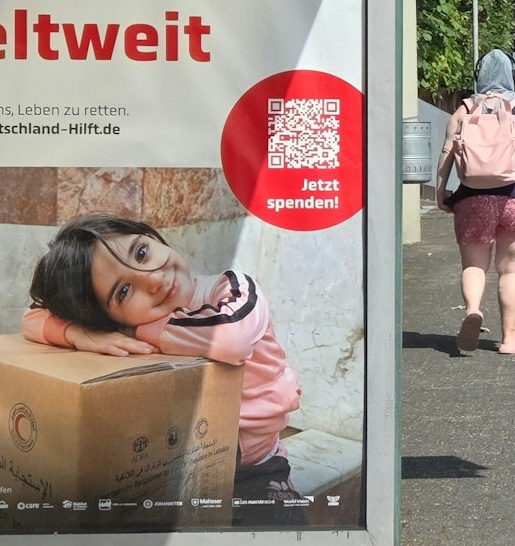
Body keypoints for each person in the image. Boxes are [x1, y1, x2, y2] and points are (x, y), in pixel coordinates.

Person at [23, 214, 306, 522]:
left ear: (152, 237)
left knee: (279, 527)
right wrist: (83, 334)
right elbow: (32, 317)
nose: (154, 280)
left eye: (141, 253)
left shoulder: (231, 287)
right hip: (187, 459)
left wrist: (137, 329)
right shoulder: (120, 323)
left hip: (257, 463)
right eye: (124, 291)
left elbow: (233, 340)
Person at [437, 49, 515, 356]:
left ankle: (473, 310)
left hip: (472, 198)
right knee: (510, 270)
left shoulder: (464, 110)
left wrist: (441, 190)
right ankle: (509, 338)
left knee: (474, 266)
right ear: (511, 76)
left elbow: (447, 152)